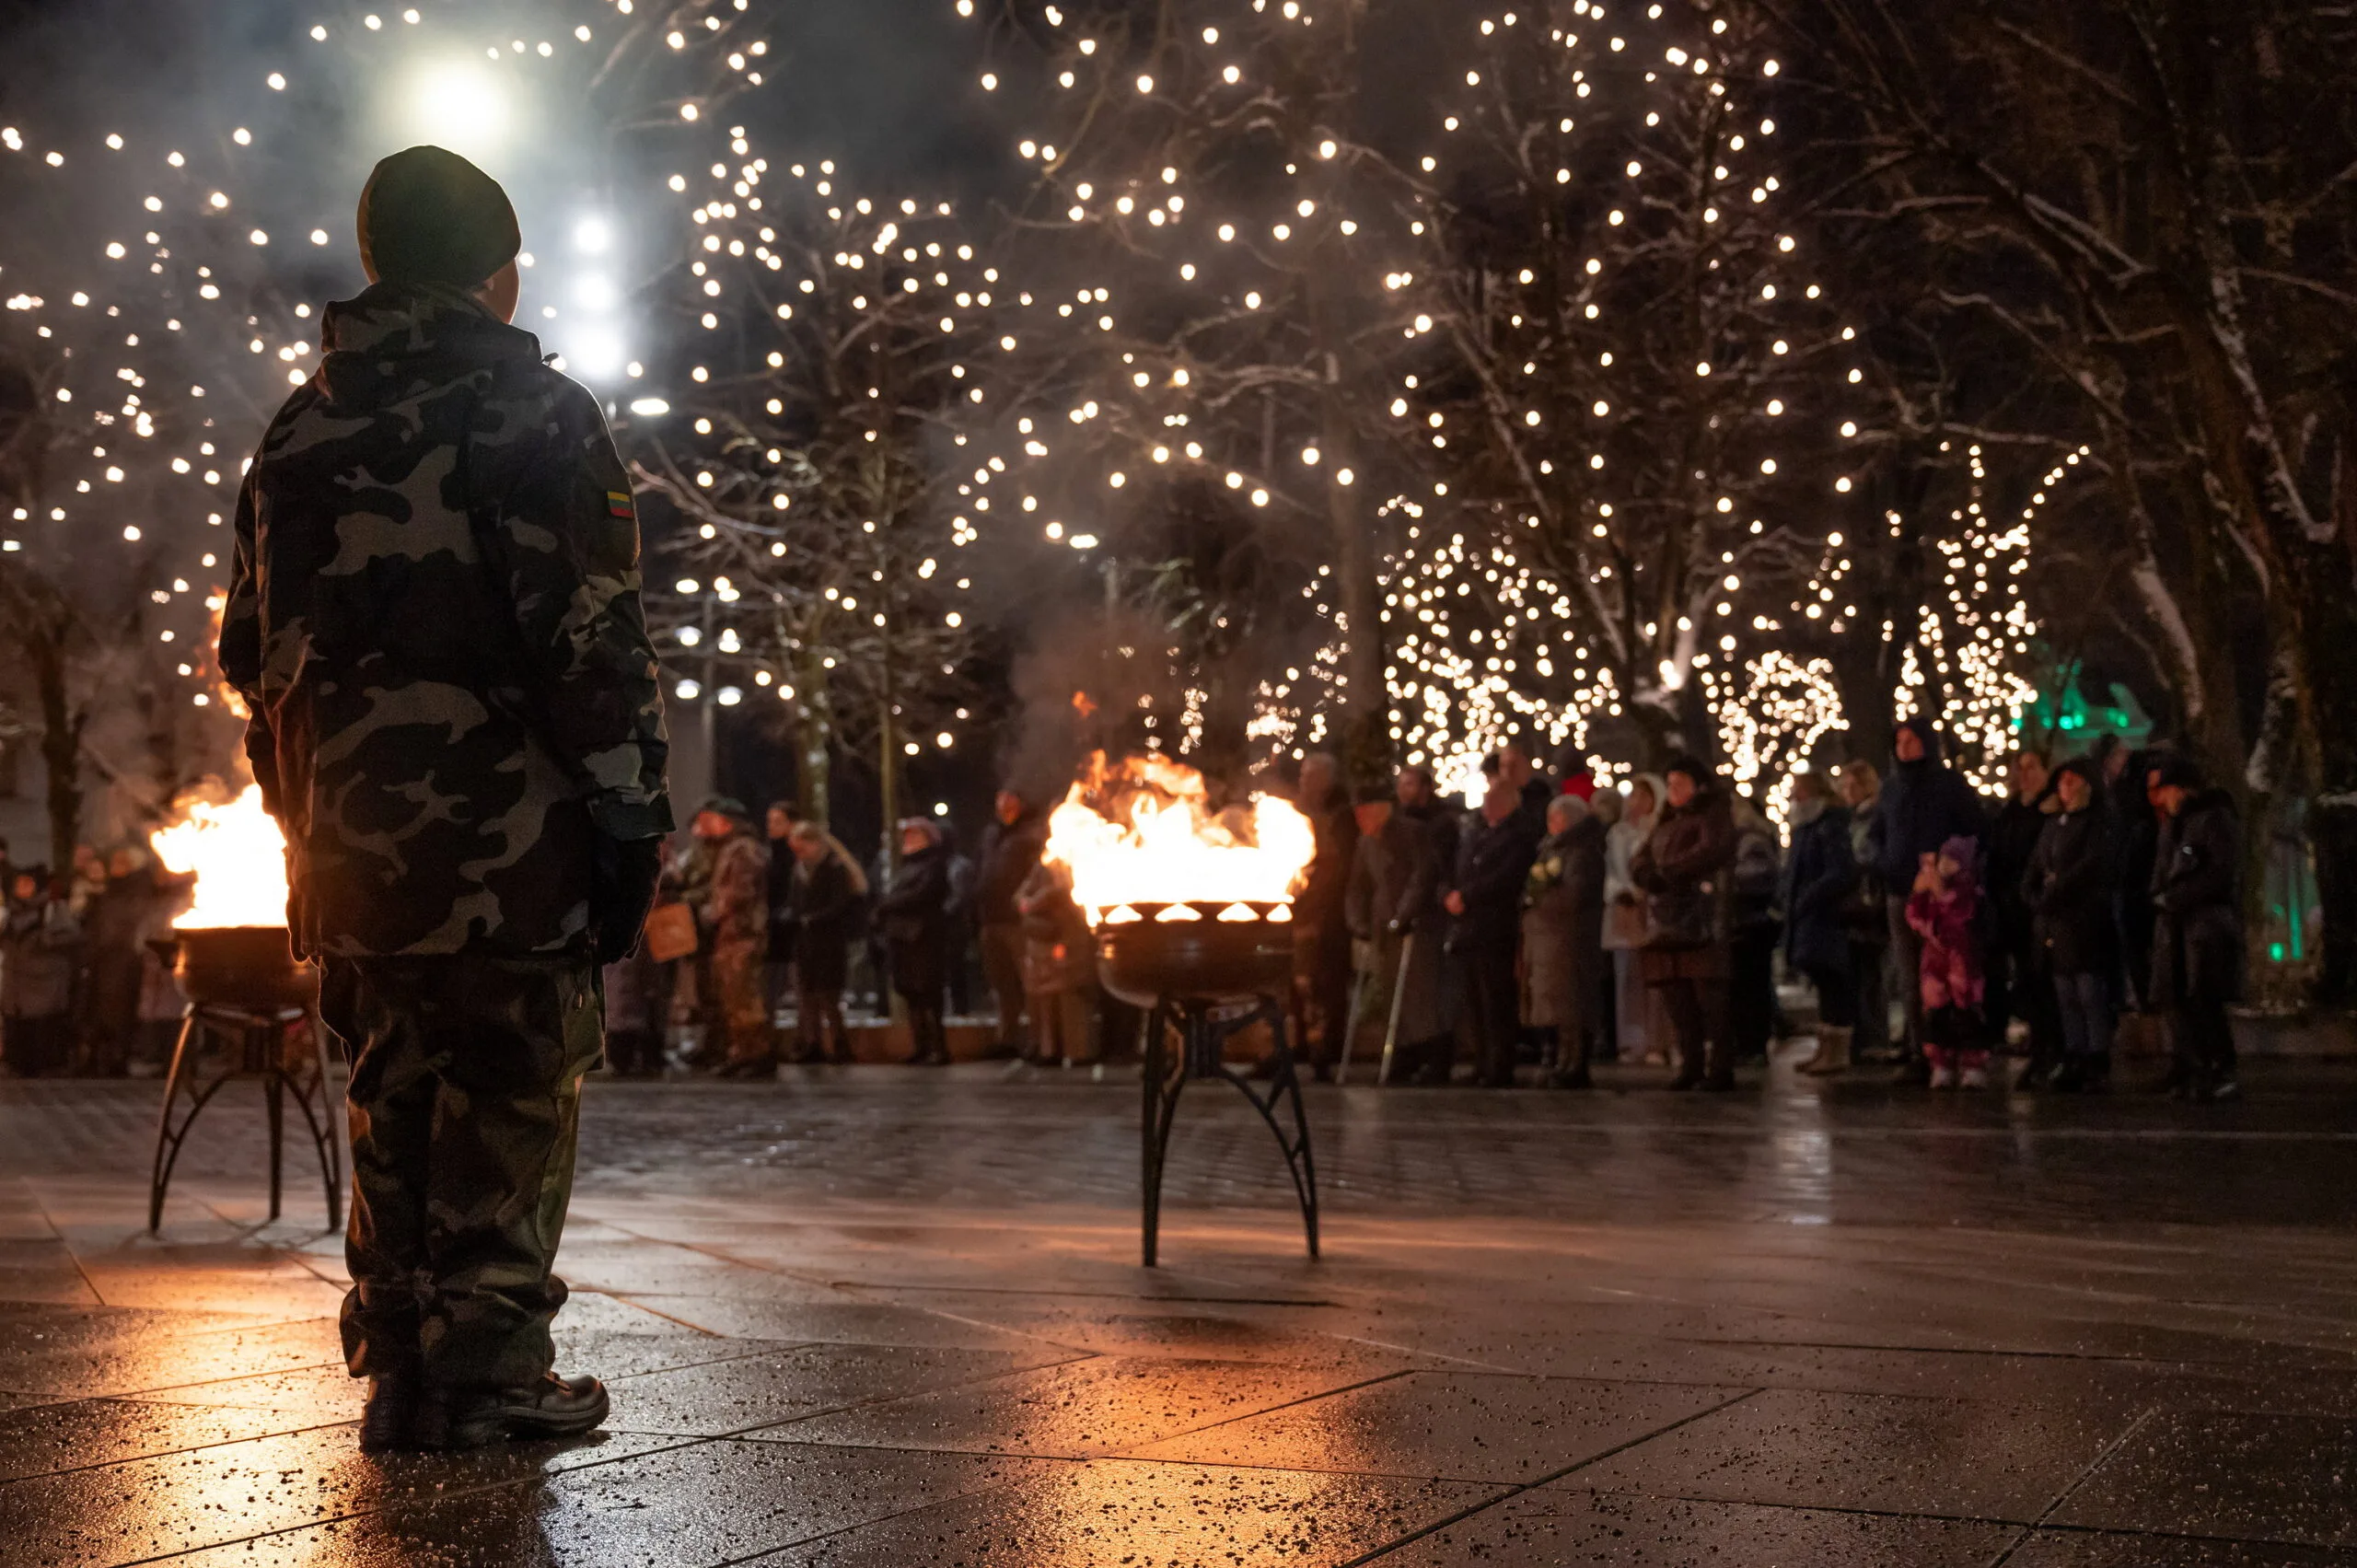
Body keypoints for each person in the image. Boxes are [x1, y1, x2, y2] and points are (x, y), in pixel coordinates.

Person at [218, 145, 669, 1453]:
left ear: (376, 267)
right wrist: (628, 816)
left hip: (349, 853)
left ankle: (400, 1368)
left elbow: (250, 656)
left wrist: (302, 817)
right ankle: (487, 1368)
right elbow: (590, 643)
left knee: (393, 1089)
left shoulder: (295, 432)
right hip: (512, 846)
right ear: (495, 272)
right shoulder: (537, 414)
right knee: (511, 1088)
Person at [1871, 717, 1987, 1083]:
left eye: (1912, 741)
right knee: (1911, 977)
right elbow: (1876, 833)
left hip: (1942, 897)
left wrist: (1949, 866)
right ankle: (1920, 1050)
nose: (1905, 748)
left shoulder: (1948, 785)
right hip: (1901, 891)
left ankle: (1955, 1052)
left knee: (1950, 976)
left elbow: (1974, 829)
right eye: (1900, 742)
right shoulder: (1892, 788)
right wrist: (1886, 864)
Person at [1631, 756, 1738, 1090]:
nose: (1673, 790)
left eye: (1680, 784)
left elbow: (1711, 850)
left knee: (1710, 998)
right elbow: (1643, 854)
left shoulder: (1712, 814)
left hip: (1699, 918)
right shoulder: (1667, 820)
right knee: (1678, 999)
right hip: (1666, 919)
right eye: (1670, 784)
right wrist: (1644, 872)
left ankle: (1719, 1067)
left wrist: (1668, 872)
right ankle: (1691, 1063)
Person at [1351, 766, 1455, 1082]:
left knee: (1422, 994)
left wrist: (1404, 915)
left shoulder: (1413, 833)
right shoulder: (1366, 843)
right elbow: (1357, 886)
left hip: (1416, 926)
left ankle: (1434, 1056)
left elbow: (1422, 877)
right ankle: (1404, 1053)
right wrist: (1357, 922)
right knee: (1391, 990)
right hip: (1384, 927)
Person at [2147, 757, 2243, 1102]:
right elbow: (2163, 870)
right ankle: (2195, 1066)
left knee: (2204, 998)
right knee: (2180, 998)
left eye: (2167, 789)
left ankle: (2219, 1068)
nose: (2162, 798)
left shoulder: (2213, 819)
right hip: (2178, 925)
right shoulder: (2176, 824)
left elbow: (2220, 872)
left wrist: (2176, 896)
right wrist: (2161, 895)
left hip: (2204, 925)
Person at [2022, 758, 2119, 1092]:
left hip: (2083, 919)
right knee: (2065, 993)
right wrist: (2035, 895)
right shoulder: (2053, 824)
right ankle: (2074, 1054)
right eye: (2062, 780)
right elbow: (2035, 866)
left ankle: (2096, 1057)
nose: (2066, 786)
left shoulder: (2096, 824)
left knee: (2088, 991)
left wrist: (2054, 890)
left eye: (2072, 780)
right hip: (2054, 922)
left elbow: (2090, 867)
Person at [1446, 776, 1541, 1086]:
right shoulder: (1478, 834)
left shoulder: (1518, 837)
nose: (1487, 805)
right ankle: (1481, 1061)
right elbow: (1461, 868)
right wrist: (1451, 894)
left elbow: (1506, 877)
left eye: (1494, 800)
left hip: (1495, 927)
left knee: (1495, 1000)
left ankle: (1499, 1064)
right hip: (1470, 928)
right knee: (1475, 1000)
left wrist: (1468, 895)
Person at [1521, 793, 1607, 1088]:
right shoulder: (1552, 848)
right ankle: (1561, 1059)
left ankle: (1575, 1063)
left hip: (1572, 937)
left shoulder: (1582, 852)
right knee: (1557, 1004)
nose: (1550, 823)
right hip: (1550, 938)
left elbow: (1575, 893)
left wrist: (1540, 900)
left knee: (1574, 1002)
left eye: (1556, 817)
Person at [1989, 749, 2062, 1086]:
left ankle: (2050, 1046)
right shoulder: (2011, 812)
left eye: (2032, 767)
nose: (2025, 774)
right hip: (2012, 907)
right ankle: (2038, 1042)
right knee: (2027, 978)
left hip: (2038, 907)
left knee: (2043, 979)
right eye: (2020, 768)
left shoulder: (2049, 812)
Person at [1782, 770, 1858, 1075]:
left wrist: (1809, 896)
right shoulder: (1807, 827)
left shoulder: (1828, 825)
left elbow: (1840, 871)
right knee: (1824, 983)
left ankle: (1836, 1051)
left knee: (1833, 982)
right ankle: (1826, 1048)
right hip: (1810, 916)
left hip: (1825, 917)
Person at [1291, 753, 1359, 1078]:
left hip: (1330, 915)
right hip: (1297, 912)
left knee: (1327, 985)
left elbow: (1341, 866)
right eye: (1303, 775)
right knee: (1295, 983)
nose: (1304, 781)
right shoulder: (1295, 812)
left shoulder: (1341, 817)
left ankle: (1325, 1050)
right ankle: (1296, 1043)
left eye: (1311, 775)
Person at [692, 799, 772, 1079]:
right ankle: (741, 1051)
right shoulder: (728, 848)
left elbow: (740, 891)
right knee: (732, 997)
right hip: (730, 935)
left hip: (742, 933)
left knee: (744, 997)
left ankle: (756, 1053)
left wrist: (714, 910)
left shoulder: (743, 849)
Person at [1908, 836, 1991, 1088]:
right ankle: (1941, 1062)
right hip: (1935, 965)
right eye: (1943, 858)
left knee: (1966, 1014)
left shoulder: (1969, 890)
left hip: (1963, 966)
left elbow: (1960, 917)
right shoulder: (1930, 889)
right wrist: (1921, 896)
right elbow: (1915, 915)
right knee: (1937, 1013)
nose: (1945, 864)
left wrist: (1939, 893)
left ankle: (1972, 1063)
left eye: (1952, 860)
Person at [876, 818, 956, 1065]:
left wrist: (889, 904)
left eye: (915, 835)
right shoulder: (907, 866)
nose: (909, 839)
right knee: (911, 993)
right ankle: (921, 1045)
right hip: (903, 937)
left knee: (928, 992)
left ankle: (937, 1047)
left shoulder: (934, 865)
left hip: (923, 938)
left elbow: (922, 894)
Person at [975, 789, 1046, 1058]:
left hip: (1018, 922)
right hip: (990, 919)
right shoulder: (991, 834)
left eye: (1010, 797)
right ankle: (1008, 1038)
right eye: (1000, 797)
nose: (1003, 802)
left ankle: (1039, 1040)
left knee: (1030, 983)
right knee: (1001, 984)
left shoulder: (1031, 833)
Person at [1603, 772, 1664, 1063]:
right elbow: (1610, 869)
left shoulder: (1658, 830)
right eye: (1633, 795)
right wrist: (1621, 891)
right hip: (1625, 910)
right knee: (1627, 978)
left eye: (1643, 796)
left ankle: (1657, 1041)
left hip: (1653, 910)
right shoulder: (1618, 833)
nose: (1636, 802)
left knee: (1654, 979)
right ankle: (1631, 1041)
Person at [784, 821, 856, 1063]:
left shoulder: (834, 868)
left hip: (828, 942)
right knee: (807, 997)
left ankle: (840, 1045)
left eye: (802, 848)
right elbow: (794, 902)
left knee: (829, 997)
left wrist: (812, 919)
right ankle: (812, 1042)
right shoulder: (799, 870)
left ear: (814, 843)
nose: (799, 853)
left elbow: (840, 904)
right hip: (805, 943)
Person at [1016, 857, 1097, 1066]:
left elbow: (1065, 891)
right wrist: (1027, 902)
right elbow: (1022, 894)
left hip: (1067, 937)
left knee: (1072, 996)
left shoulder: (1076, 860)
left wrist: (1037, 900)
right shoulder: (1043, 863)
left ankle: (1078, 1050)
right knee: (1044, 996)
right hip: (1041, 939)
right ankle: (1048, 1049)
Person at [1837, 761, 1890, 1062]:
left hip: (1869, 902)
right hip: (1856, 903)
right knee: (1860, 972)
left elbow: (1867, 855)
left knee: (1871, 974)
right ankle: (1864, 1036)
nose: (1847, 791)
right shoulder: (1853, 818)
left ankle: (1874, 1036)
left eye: (1852, 785)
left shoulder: (1872, 817)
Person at [1726, 793, 1784, 1063]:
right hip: (1747, 921)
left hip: (1752, 922)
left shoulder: (1751, 840)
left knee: (1752, 985)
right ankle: (1747, 1043)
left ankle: (1753, 1044)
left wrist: (1724, 884)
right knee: (1747, 985)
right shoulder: (1746, 839)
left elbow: (1758, 877)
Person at [3, 872, 76, 1077]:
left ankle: (43, 1066)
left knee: (41, 1024)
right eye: (19, 884)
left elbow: (73, 935)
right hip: (15, 981)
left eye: (28, 883)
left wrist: (48, 940)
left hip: (43, 979)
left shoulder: (52, 909)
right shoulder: (9, 911)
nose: (23, 888)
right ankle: (17, 1065)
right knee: (17, 1024)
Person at [763, 803, 799, 1057]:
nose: (771, 827)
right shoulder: (770, 853)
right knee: (770, 988)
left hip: (788, 931)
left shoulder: (792, 856)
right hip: (774, 930)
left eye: (777, 821)